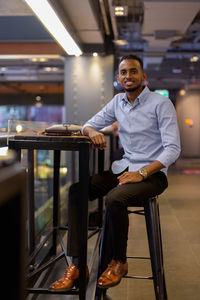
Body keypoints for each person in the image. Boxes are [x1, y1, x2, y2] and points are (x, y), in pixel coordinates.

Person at [49, 54, 181, 291]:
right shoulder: (118, 102)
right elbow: (89, 124)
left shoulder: (161, 104)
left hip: (153, 175)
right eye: (123, 72)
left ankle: (118, 261)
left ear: (143, 76)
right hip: (124, 168)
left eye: (133, 71)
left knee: (115, 198)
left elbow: (173, 149)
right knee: (77, 191)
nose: (128, 76)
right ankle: (79, 265)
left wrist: (141, 173)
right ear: (118, 77)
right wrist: (92, 132)